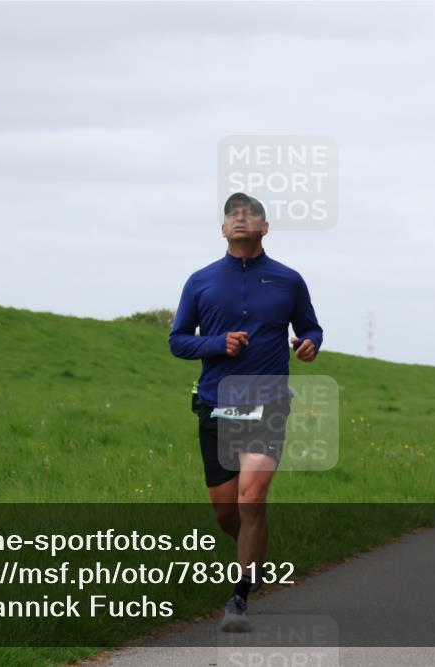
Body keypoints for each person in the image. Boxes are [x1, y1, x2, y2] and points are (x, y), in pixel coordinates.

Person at [169, 192, 323, 633]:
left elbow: (310, 327)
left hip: (268, 402)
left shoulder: (288, 280)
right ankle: (255, 558)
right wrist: (217, 343)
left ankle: (238, 598)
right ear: (222, 229)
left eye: (250, 214)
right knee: (225, 512)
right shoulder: (200, 281)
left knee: (251, 498)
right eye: (232, 215)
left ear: (265, 227)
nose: (240, 218)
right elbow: (178, 340)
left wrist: (310, 344)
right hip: (216, 403)